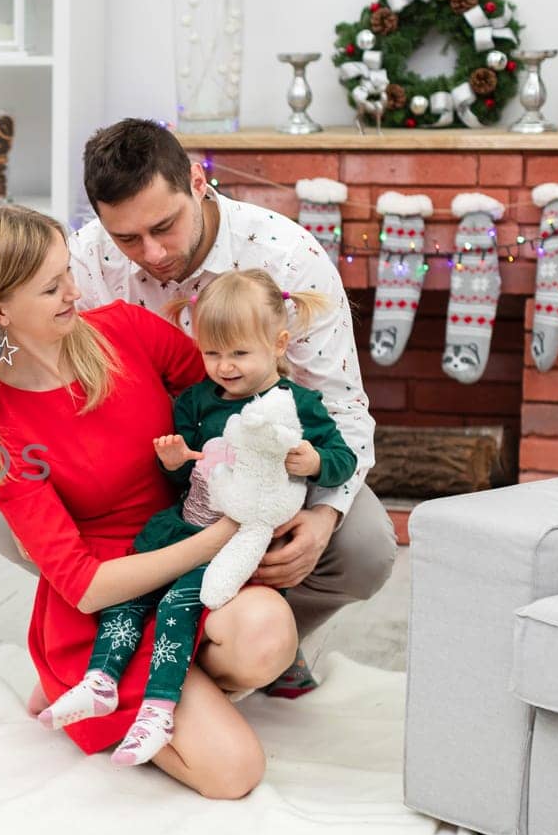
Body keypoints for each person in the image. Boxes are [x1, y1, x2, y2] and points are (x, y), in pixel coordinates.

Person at [0, 119, 396, 692]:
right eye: (127, 238)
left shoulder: (288, 256)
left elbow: (343, 410)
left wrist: (324, 517)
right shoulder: (84, 262)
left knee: (367, 546)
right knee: (5, 521)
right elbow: (41, 364)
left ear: (198, 183)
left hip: (266, 465)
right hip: (145, 465)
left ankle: (266, 640)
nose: (151, 254)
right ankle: (147, 630)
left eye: (164, 226)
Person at [0, 204, 298, 799]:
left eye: (68, 274)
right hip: (108, 604)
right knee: (235, 773)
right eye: (52, 286)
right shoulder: (1, 424)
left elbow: (228, 397)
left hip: (182, 551)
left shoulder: (126, 332)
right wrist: (215, 540)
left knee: (268, 635)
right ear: (0, 309)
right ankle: (96, 687)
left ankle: (174, 682)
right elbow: (82, 584)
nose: (74, 292)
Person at [39, 268, 357, 767]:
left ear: (277, 345)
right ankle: (100, 679)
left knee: (176, 610)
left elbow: (343, 457)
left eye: (239, 354)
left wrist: (315, 463)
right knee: (132, 594)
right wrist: (173, 461)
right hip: (189, 524)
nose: (224, 367)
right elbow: (185, 475)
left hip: (237, 544)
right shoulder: (195, 400)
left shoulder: (297, 405)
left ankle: (159, 708)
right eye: (212, 353)